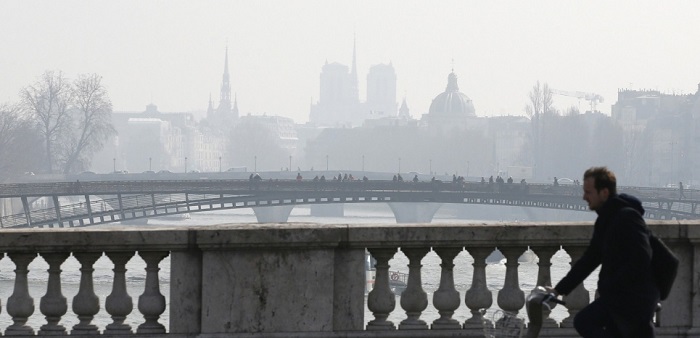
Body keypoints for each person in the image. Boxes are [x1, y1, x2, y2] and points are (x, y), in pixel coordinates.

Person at [546, 167, 658, 337]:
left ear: (604, 192)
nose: (584, 197)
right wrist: (558, 290)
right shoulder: (606, 219)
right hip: (622, 297)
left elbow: (642, 257)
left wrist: (613, 284)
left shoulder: (626, 217)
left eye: (588, 192)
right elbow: (589, 260)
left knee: (584, 321)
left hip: (633, 299)